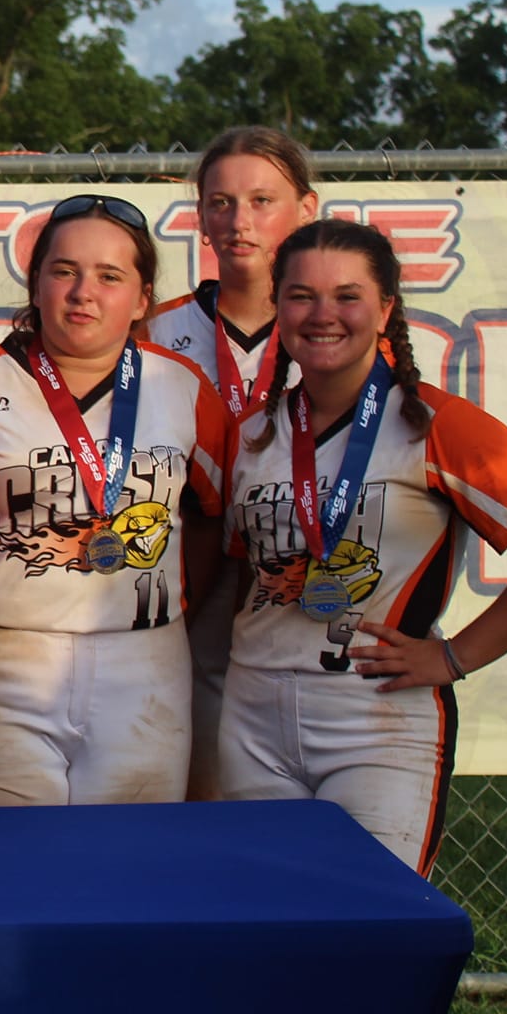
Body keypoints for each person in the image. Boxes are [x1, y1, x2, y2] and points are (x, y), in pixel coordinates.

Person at [222, 218, 507, 1014]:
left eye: (345, 297)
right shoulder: (253, 430)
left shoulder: (436, 422)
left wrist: (452, 655)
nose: (320, 315)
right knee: (268, 951)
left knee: (374, 958)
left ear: (386, 310)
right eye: (300, 295)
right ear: (277, 307)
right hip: (250, 715)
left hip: (376, 719)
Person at [0, 194, 228, 1014]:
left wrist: (166, 600)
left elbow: (213, 518)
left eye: (109, 274)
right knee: (4, 908)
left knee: (125, 917)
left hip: (144, 665)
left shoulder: (184, 388)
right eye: (63, 269)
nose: (83, 291)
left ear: (143, 296)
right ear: (34, 281)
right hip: (8, 656)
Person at [146, 127, 319, 802]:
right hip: (193, 565)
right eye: (221, 201)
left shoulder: (336, 326)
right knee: (196, 770)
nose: (239, 220)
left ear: (306, 208)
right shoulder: (154, 330)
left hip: (301, 559)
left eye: (261, 199)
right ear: (200, 214)